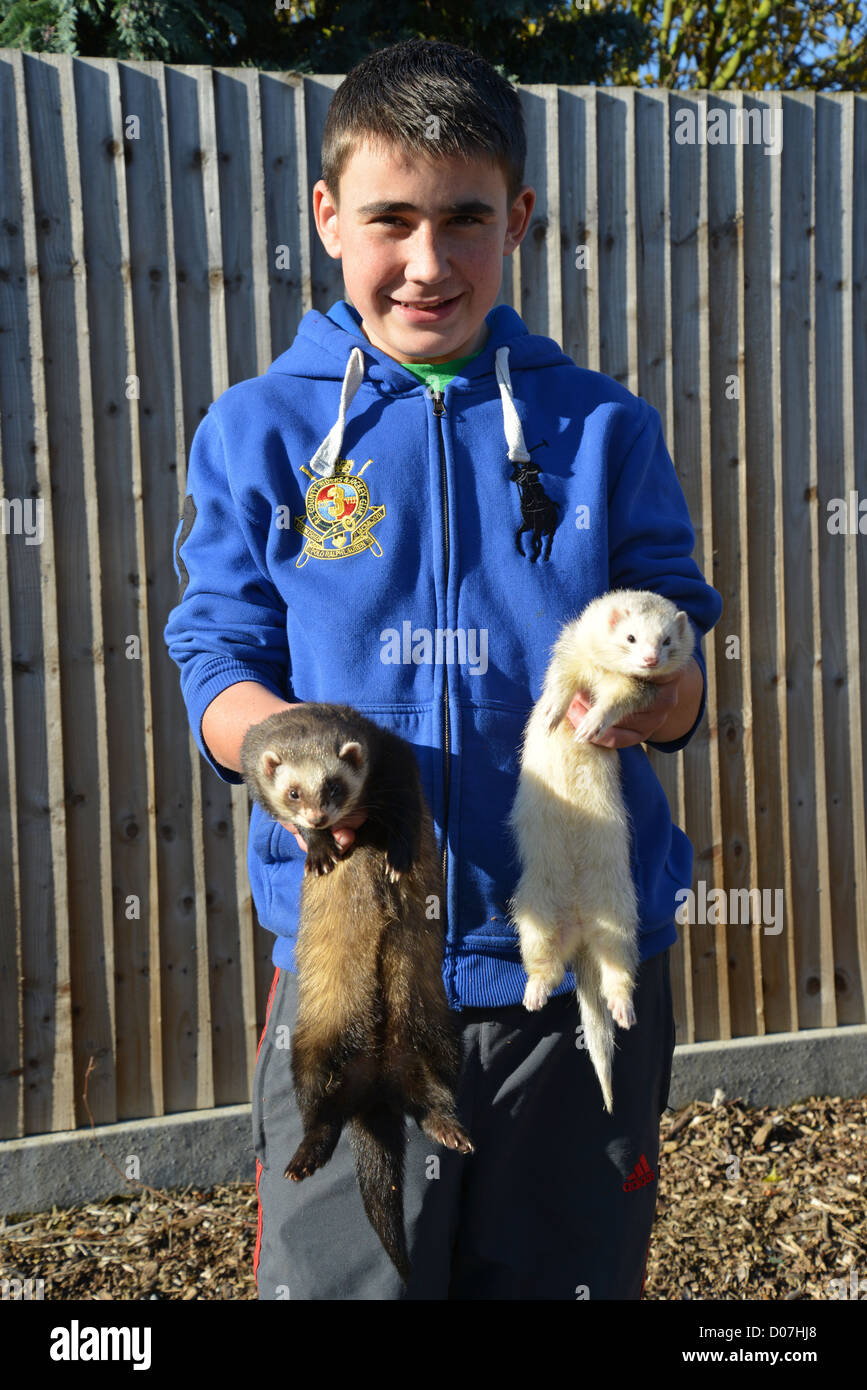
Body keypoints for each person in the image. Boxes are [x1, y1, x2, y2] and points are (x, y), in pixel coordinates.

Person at [164, 37, 723, 1300]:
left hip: (575, 968)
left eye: (466, 218)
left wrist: (661, 695)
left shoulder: (599, 428)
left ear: (519, 218)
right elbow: (216, 651)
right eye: (390, 219)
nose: (428, 260)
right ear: (327, 216)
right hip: (356, 975)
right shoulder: (261, 430)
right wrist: (278, 751)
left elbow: (683, 633)